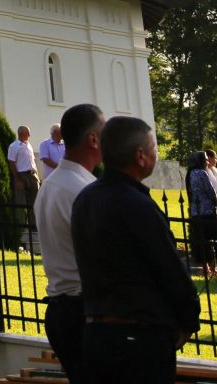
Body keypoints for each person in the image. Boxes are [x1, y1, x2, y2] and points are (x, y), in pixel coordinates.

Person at [72, 116, 200, 384]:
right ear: (140, 156)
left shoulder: (86, 199)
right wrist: (188, 320)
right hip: (138, 336)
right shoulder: (136, 204)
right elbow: (169, 268)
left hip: (96, 331)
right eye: (153, 148)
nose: (155, 153)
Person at [35, 103, 103, 381]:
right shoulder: (83, 190)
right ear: (93, 139)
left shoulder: (51, 187)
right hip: (86, 311)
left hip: (63, 308)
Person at [186, 151, 217, 281]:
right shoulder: (202, 173)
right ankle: (214, 269)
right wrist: (214, 201)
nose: (207, 162)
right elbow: (210, 190)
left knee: (202, 241)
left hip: (196, 212)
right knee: (213, 240)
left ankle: (205, 267)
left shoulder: (190, 174)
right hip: (207, 211)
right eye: (205, 159)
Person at [5, 125, 40, 233]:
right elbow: (11, 162)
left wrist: (37, 176)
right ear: (21, 134)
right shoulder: (14, 146)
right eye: (27, 133)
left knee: (34, 201)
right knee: (21, 202)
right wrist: (17, 179)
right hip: (21, 174)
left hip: (32, 174)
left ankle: (34, 226)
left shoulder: (28, 145)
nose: (29, 135)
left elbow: (32, 161)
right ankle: (21, 227)